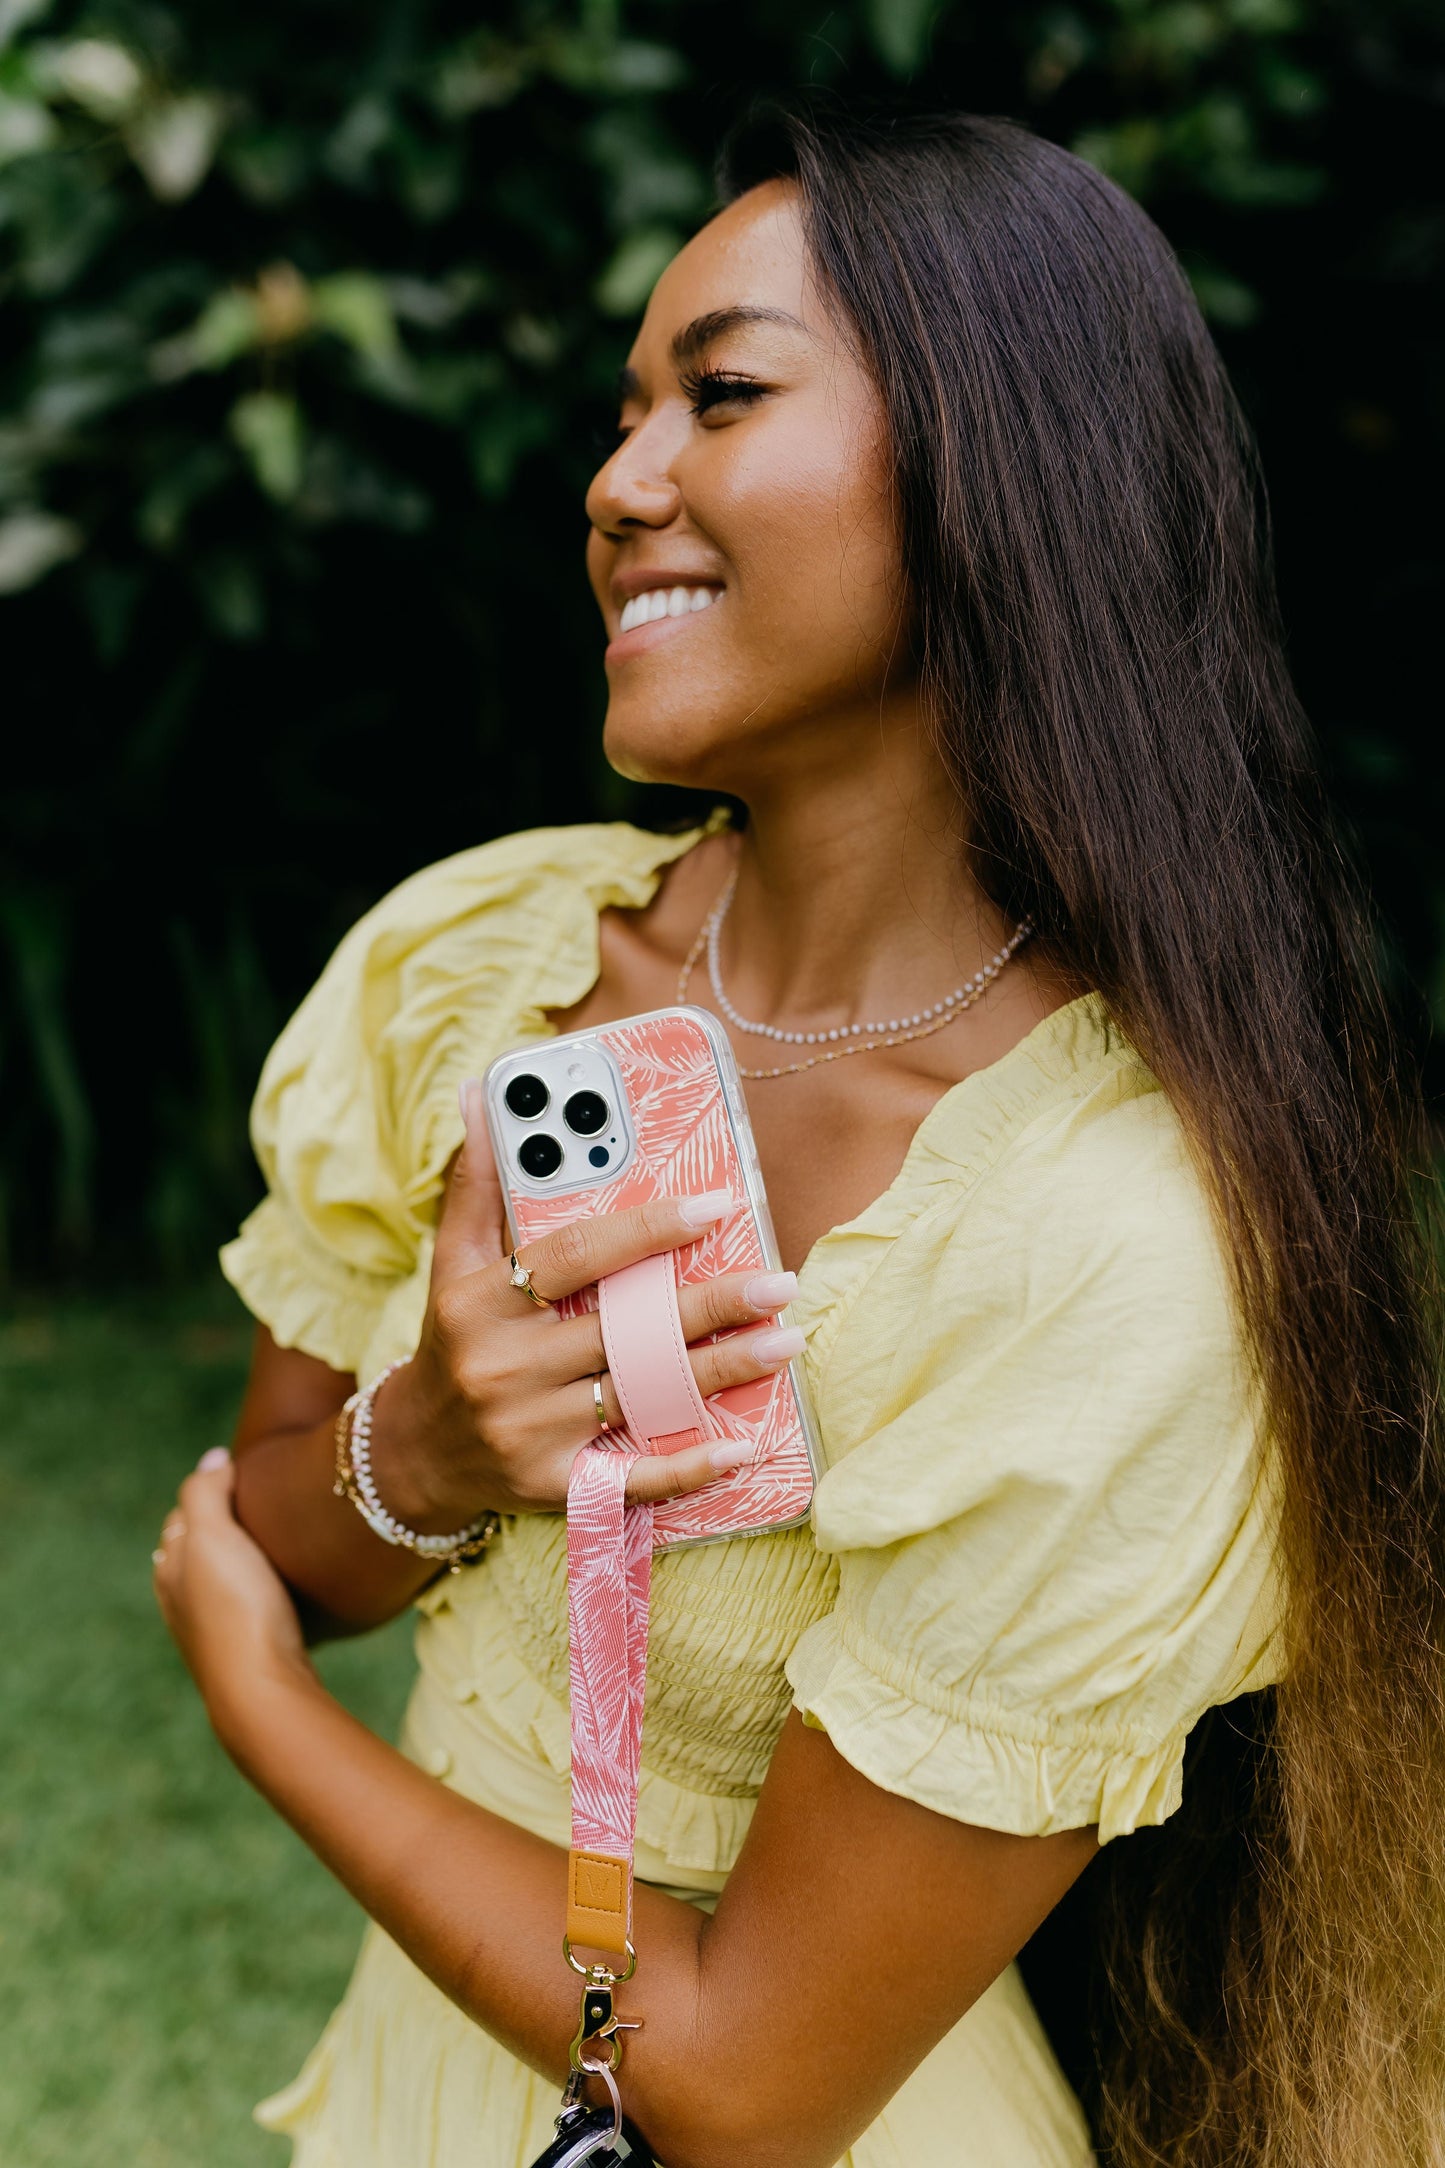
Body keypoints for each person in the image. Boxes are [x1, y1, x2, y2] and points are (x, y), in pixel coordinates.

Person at [151, 97, 1445, 2168]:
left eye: (719, 395)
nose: (616, 479)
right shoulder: (483, 971)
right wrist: (441, 1446)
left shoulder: (1108, 1239)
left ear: (997, 466)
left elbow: (747, 2082)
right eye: (625, 409)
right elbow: (288, 1541)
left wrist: (268, 1722)